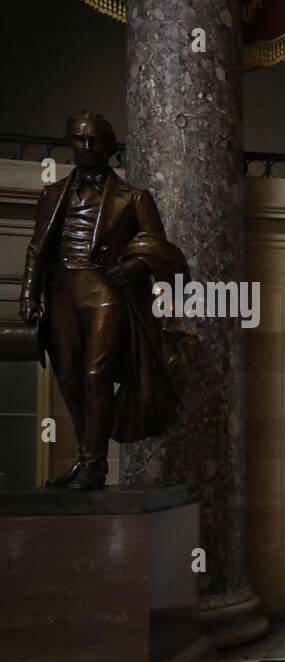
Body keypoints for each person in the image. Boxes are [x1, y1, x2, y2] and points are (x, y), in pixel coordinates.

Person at [19, 111, 186, 491]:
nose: (87, 146)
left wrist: (136, 266)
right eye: (79, 138)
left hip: (105, 292)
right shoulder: (51, 194)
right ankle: (85, 459)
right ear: (69, 143)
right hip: (61, 291)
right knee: (70, 378)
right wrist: (29, 292)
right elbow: (37, 249)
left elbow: (161, 249)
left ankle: (94, 465)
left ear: (111, 147)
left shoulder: (134, 198)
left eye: (95, 140)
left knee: (96, 374)